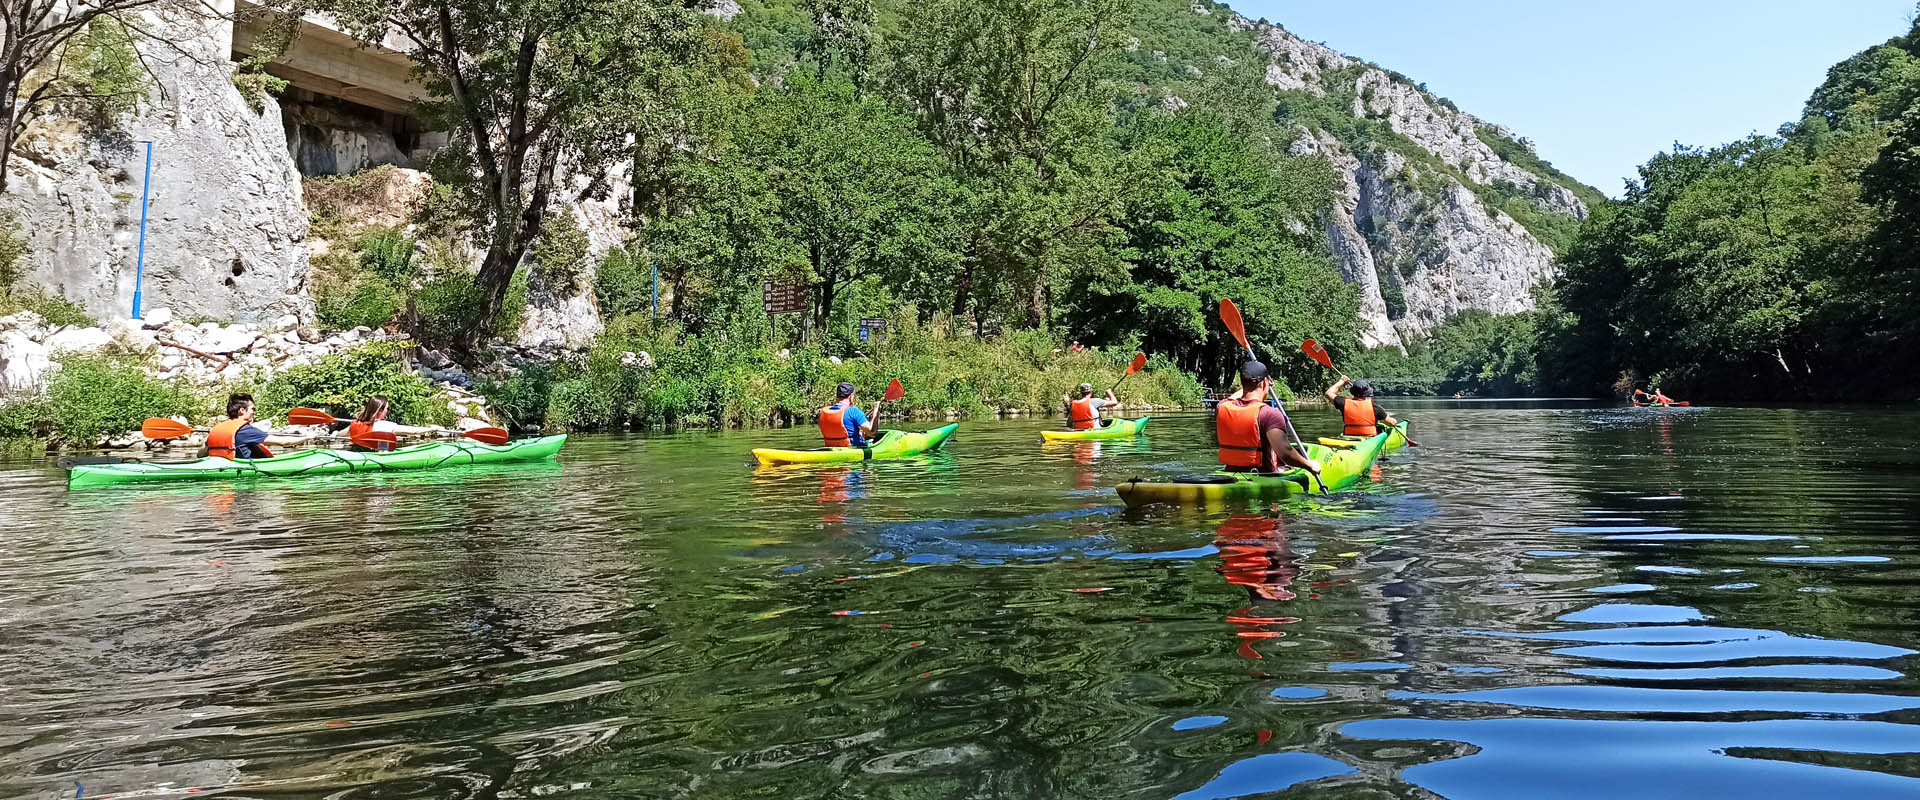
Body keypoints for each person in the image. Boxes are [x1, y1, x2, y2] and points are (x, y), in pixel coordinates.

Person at [1217, 361, 1321, 477]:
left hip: (1230, 474)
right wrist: (1309, 465)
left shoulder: (1222, 407)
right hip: (1262, 476)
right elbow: (1285, 454)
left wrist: (1252, 384)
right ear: (1265, 382)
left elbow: (1233, 398)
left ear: (1242, 383)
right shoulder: (1269, 414)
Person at [203, 393, 312, 460]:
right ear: (242, 410)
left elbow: (201, 454)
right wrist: (308, 437)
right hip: (241, 471)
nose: (254, 413)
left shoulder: (217, 428)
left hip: (223, 464)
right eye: (252, 409)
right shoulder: (245, 430)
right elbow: (284, 442)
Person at [346, 395, 441, 452]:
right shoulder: (385, 426)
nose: (388, 411)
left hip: (355, 452)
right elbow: (413, 431)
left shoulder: (356, 423)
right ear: (380, 411)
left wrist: (334, 434)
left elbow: (339, 434)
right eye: (388, 409)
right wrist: (431, 428)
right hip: (377, 457)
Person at [1324, 376, 1399, 437]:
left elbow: (1328, 393)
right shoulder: (1375, 407)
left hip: (1349, 437)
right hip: (1369, 438)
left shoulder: (1343, 403)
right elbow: (1391, 423)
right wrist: (1394, 421)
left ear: (1353, 392)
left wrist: (1342, 381)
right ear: (1368, 393)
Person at [819, 381, 880, 448]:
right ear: (851, 397)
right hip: (852, 448)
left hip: (831, 448)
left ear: (837, 396)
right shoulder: (853, 411)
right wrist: (876, 410)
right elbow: (872, 433)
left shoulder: (824, 412)